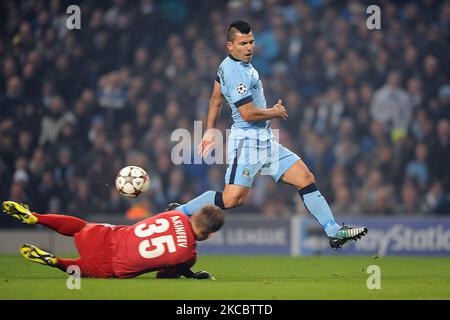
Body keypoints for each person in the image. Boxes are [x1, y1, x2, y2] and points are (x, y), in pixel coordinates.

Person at [170, 20, 367, 249]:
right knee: (231, 199)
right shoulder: (236, 74)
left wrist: (210, 130)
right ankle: (179, 212)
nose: (249, 47)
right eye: (243, 43)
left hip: (265, 142)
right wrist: (274, 111)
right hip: (247, 143)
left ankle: (334, 231)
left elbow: (215, 99)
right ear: (230, 46)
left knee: (305, 178)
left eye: (251, 42)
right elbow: (247, 114)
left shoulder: (226, 65)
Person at [2, 200, 224, 279]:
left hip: (105, 235)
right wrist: (190, 274)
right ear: (211, 234)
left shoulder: (174, 214)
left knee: (80, 226)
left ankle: (36, 217)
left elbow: (172, 220)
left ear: (194, 215)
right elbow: (162, 275)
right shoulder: (188, 256)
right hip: (108, 266)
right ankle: (56, 262)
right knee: (81, 268)